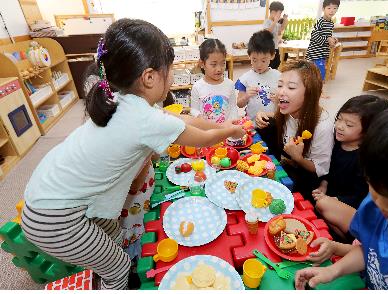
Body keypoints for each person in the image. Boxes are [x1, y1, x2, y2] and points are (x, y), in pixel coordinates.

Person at [20, 18, 245, 290]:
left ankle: (120, 257)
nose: (173, 74)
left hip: (48, 195)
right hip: (54, 217)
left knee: (115, 236)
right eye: (170, 68)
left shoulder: (122, 100)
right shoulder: (144, 119)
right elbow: (203, 139)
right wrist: (228, 132)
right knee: (118, 268)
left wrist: (223, 125)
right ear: (149, 77)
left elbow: (187, 121)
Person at [295, 101, 388, 290]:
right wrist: (334, 270)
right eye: (374, 187)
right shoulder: (374, 207)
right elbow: (369, 250)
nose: (383, 206)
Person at [312, 95, 388, 240]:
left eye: (349, 125)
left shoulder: (365, 158)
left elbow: (360, 195)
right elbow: (327, 169)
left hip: (351, 206)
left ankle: (350, 239)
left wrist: (334, 199)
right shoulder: (335, 142)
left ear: (368, 131)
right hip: (330, 197)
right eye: (339, 119)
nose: (340, 126)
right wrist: (324, 184)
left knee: (322, 205)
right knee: (319, 202)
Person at [255, 60, 334, 200]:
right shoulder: (289, 110)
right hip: (287, 161)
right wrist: (263, 114)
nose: (281, 92)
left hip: (305, 176)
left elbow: (320, 170)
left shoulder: (322, 126)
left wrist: (298, 157)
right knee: (266, 125)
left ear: (310, 93)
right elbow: (281, 118)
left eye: (291, 88)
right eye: (280, 85)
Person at [235, 30, 281, 121]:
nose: (259, 65)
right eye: (254, 60)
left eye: (263, 60)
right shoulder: (245, 79)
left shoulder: (279, 77)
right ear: (249, 56)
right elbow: (239, 104)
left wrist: (279, 100)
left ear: (272, 55)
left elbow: (287, 102)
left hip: (273, 122)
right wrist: (247, 96)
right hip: (252, 125)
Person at [191, 38, 239, 123]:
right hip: (207, 133)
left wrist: (235, 121)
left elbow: (233, 107)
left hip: (226, 132)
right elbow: (193, 110)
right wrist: (198, 116)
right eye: (213, 64)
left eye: (223, 63)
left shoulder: (229, 84)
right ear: (202, 64)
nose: (219, 69)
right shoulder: (197, 87)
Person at [306, 0, 339, 82]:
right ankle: (319, 92)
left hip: (323, 53)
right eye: (329, 8)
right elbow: (314, 36)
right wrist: (328, 39)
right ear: (323, 9)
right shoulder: (320, 21)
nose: (332, 10)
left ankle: (317, 91)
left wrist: (333, 40)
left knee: (318, 74)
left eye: (335, 8)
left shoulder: (331, 23)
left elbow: (327, 36)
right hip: (315, 53)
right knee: (320, 74)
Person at [263, 1, 288, 70]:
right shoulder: (267, 21)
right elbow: (267, 33)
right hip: (268, 49)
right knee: (269, 66)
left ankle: (274, 79)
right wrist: (274, 22)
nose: (280, 15)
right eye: (279, 13)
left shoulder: (276, 23)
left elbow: (280, 31)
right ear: (273, 12)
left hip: (275, 48)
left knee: (276, 64)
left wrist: (285, 21)